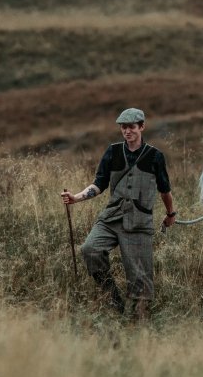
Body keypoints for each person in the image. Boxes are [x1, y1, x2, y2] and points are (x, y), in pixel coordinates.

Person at [61, 107, 176, 320]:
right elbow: (99, 184)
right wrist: (76, 197)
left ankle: (137, 318)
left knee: (140, 274)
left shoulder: (155, 156)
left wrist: (171, 214)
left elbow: (164, 190)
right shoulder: (112, 152)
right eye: (123, 127)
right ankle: (112, 297)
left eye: (131, 127)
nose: (127, 131)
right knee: (90, 249)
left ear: (141, 127)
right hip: (112, 217)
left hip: (139, 222)